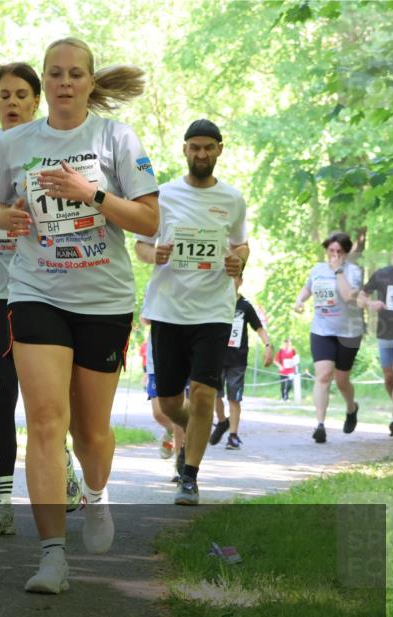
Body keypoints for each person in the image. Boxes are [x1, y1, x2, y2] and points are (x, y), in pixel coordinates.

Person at [0, 38, 159, 593]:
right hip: (36, 289)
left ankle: (97, 493)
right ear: (45, 80)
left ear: (89, 82)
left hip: (103, 299)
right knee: (43, 421)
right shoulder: (15, 142)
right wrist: (8, 215)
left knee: (91, 433)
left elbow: (149, 221)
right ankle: (52, 557)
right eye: (55, 74)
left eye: (74, 74)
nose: (64, 82)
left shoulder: (116, 138)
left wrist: (92, 194)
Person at [0, 62, 82, 537]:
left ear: (36, 101)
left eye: (21, 94)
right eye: (3, 94)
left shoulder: (55, 145)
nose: (11, 102)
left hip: (45, 282)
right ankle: (2, 505)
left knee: (48, 395)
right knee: (1, 390)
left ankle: (62, 464)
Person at [137, 118, 248, 506]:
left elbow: (241, 245)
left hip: (214, 310)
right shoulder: (163, 195)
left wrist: (239, 262)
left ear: (219, 149)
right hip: (168, 308)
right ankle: (197, 430)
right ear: (185, 150)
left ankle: (190, 476)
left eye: (208, 147)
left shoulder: (233, 199)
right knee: (169, 403)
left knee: (203, 394)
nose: (201, 154)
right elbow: (141, 246)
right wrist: (156, 253)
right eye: (194, 147)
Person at [293, 231, 364, 443]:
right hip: (322, 330)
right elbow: (308, 288)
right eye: (331, 250)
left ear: (346, 253)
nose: (334, 255)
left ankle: (351, 408)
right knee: (323, 375)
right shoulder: (317, 269)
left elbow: (348, 296)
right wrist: (300, 301)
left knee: (342, 381)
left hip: (348, 332)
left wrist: (338, 271)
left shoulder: (353, 272)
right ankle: (320, 425)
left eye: (339, 252)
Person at [208, 277, 272, 450]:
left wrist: (268, 346)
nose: (230, 281)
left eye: (234, 278)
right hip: (217, 357)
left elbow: (258, 328)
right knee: (215, 394)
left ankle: (233, 435)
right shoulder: (215, 302)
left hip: (237, 359)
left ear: (240, 281)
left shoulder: (245, 306)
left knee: (234, 399)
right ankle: (222, 422)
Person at [358, 239, 393, 438]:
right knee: (389, 378)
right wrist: (371, 303)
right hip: (384, 333)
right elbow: (360, 297)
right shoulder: (381, 274)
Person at [140, 321, 185, 462]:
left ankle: (179, 463)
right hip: (156, 361)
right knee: (158, 413)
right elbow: (145, 319)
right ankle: (171, 430)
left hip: (181, 359)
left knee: (178, 413)